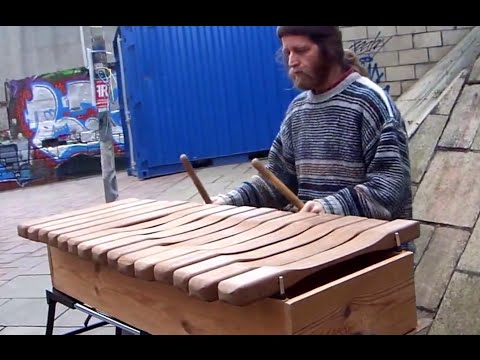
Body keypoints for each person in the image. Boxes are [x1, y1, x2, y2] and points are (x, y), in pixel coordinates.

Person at [212, 26, 413, 242]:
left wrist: (328, 207)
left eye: (301, 50)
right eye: (288, 52)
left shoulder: (371, 103)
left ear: (330, 50)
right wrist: (230, 200)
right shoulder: (298, 110)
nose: (291, 61)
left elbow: (390, 187)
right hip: (318, 245)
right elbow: (277, 179)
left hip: (374, 254)